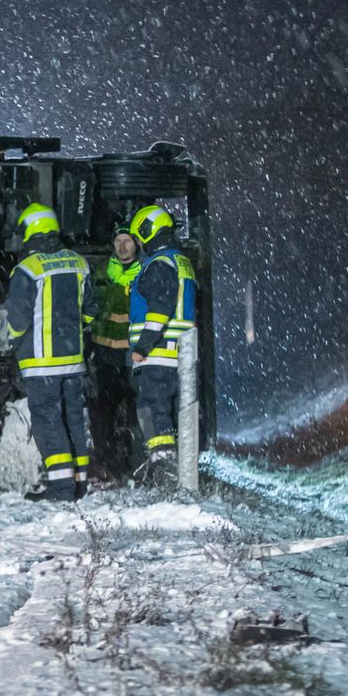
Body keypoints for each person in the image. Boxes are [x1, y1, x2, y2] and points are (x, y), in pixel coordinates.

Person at [5, 202, 95, 501]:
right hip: (74, 361)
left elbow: (17, 319)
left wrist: (12, 342)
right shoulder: (79, 263)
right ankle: (80, 483)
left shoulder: (27, 269)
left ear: (32, 230)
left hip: (41, 363)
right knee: (73, 419)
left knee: (48, 421)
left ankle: (60, 487)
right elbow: (91, 313)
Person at [125, 203, 197, 487]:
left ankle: (164, 471)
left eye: (139, 237)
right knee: (172, 412)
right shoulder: (181, 262)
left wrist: (143, 346)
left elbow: (159, 310)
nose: (139, 244)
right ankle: (174, 469)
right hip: (182, 355)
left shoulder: (159, 265)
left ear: (147, 231)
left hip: (159, 354)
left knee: (153, 409)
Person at [87, 228, 141, 483]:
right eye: (118, 241)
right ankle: (105, 462)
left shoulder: (144, 271)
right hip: (105, 353)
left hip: (133, 354)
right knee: (102, 412)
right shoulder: (101, 271)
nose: (122, 247)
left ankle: (137, 463)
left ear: (135, 244)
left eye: (126, 242)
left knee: (136, 412)